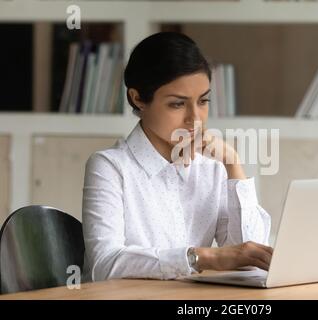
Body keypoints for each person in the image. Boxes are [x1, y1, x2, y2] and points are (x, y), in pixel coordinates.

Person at [82, 32, 272, 281]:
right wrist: (205, 258)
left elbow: (251, 260)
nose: (195, 118)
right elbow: (104, 264)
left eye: (203, 101)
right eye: (177, 104)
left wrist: (233, 164)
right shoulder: (110, 167)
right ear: (137, 98)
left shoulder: (213, 167)